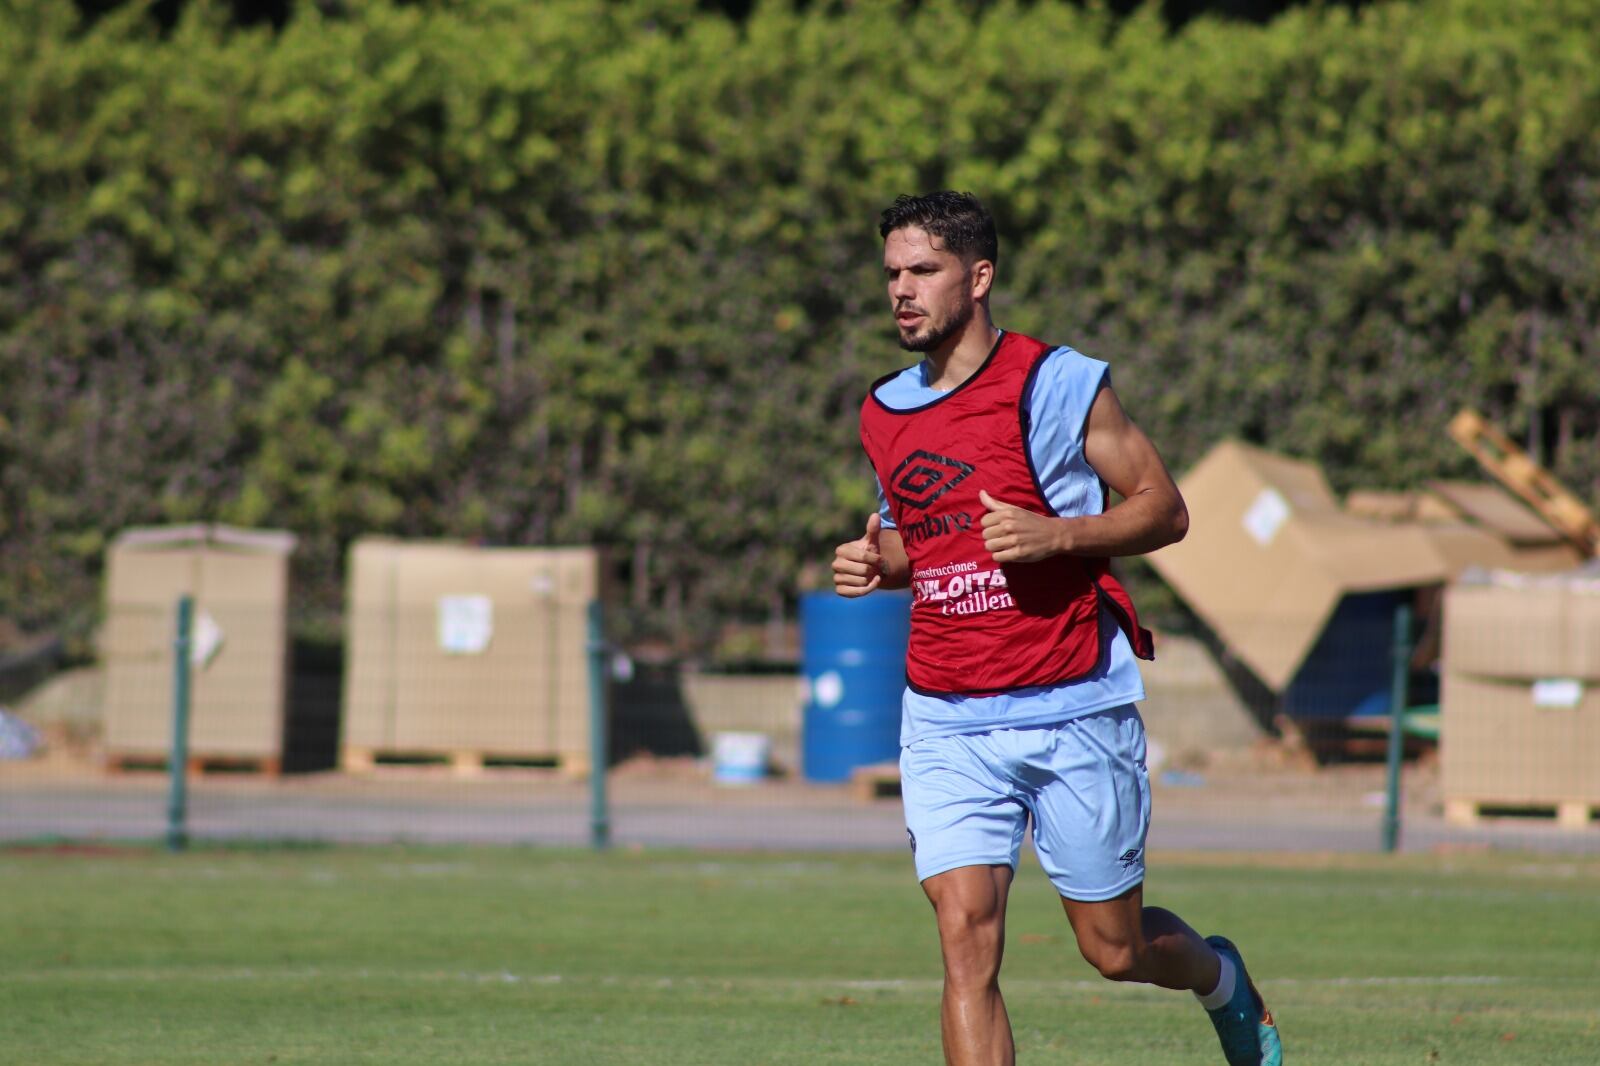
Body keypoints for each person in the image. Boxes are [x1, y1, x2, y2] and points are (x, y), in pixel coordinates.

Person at [832, 191, 1282, 1066]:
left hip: (1072, 701)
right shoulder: (883, 411)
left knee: (1115, 950)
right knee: (966, 943)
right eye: (891, 273)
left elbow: (1166, 510)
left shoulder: (1060, 382)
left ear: (980, 275)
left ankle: (1220, 977)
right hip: (946, 712)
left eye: (922, 270)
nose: (901, 291)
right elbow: (919, 542)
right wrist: (874, 565)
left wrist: (1060, 534)